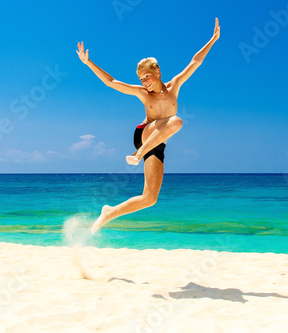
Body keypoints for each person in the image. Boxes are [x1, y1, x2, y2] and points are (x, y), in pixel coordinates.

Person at [76, 18, 220, 234]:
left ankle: (108, 212)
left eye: (147, 77)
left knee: (150, 198)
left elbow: (195, 62)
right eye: (142, 79)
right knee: (177, 121)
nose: (145, 82)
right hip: (144, 135)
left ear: (158, 73)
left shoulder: (174, 86)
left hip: (158, 143)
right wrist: (89, 63)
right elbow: (112, 82)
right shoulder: (143, 94)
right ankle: (137, 154)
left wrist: (213, 39)